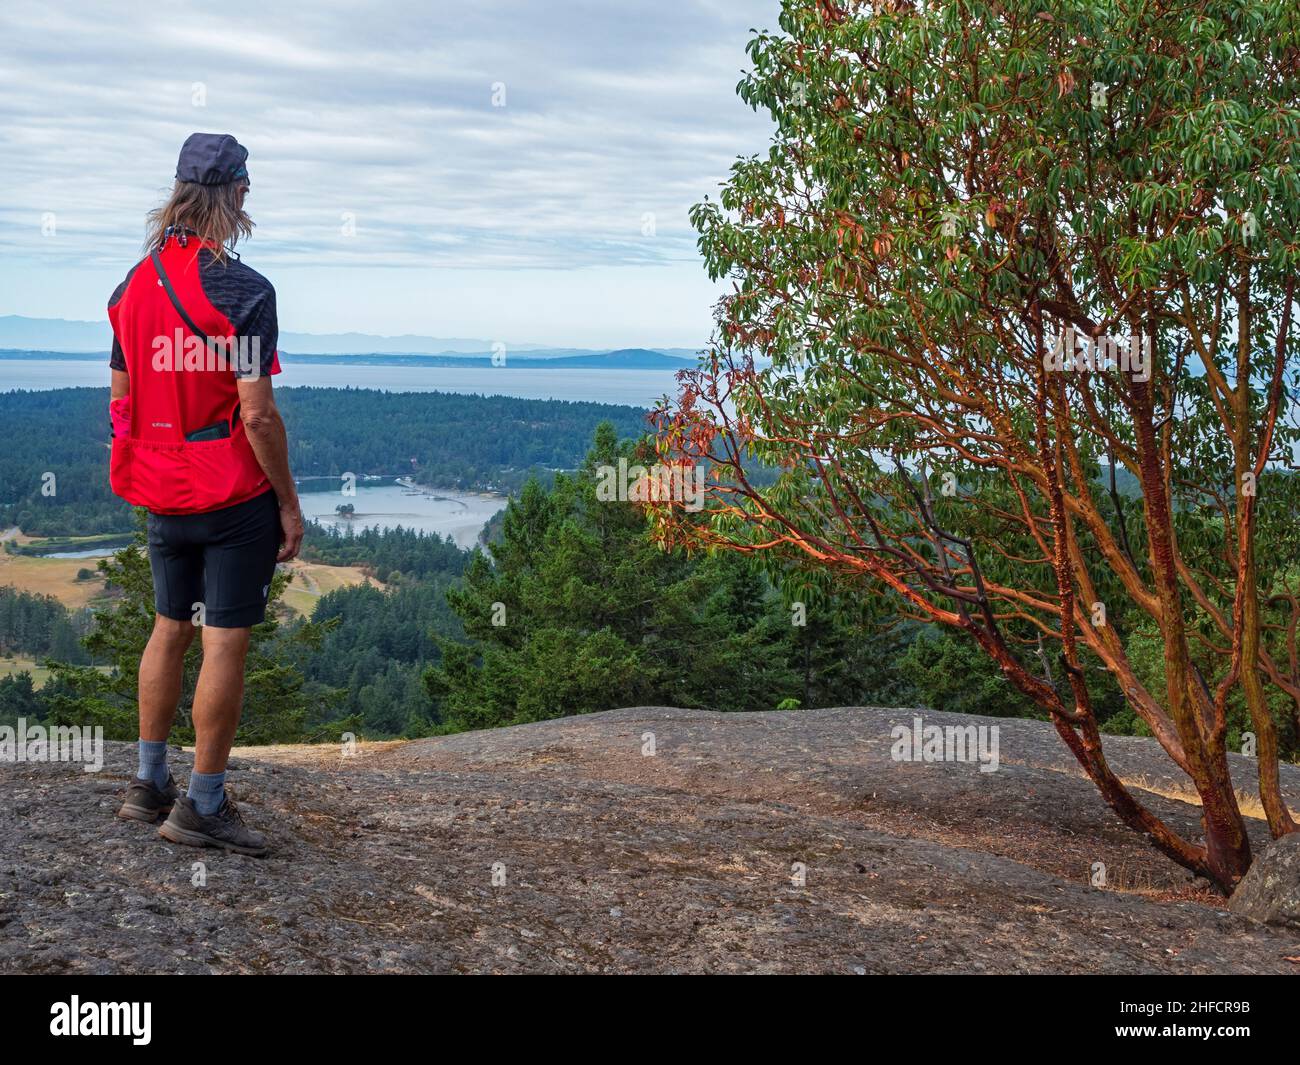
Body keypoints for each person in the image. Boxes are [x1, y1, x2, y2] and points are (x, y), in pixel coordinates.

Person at [108, 132, 303, 856]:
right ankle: (204, 803)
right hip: (230, 497)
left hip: (162, 493)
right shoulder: (247, 293)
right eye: (247, 189)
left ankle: (146, 783)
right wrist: (286, 501)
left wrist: (153, 459)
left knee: (168, 625)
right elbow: (256, 413)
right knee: (224, 640)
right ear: (234, 196)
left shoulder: (131, 287)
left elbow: (122, 402)